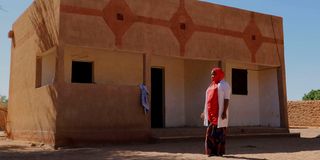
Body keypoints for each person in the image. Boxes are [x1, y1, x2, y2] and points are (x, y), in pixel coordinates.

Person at [201, 67, 231, 157]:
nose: (212, 76)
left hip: (219, 114)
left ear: (220, 74)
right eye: (211, 74)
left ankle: (218, 152)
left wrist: (224, 112)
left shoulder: (224, 85)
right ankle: (210, 152)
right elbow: (207, 101)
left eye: (214, 74)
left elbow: (226, 99)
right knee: (210, 134)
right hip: (210, 114)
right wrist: (204, 112)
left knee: (219, 134)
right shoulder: (211, 86)